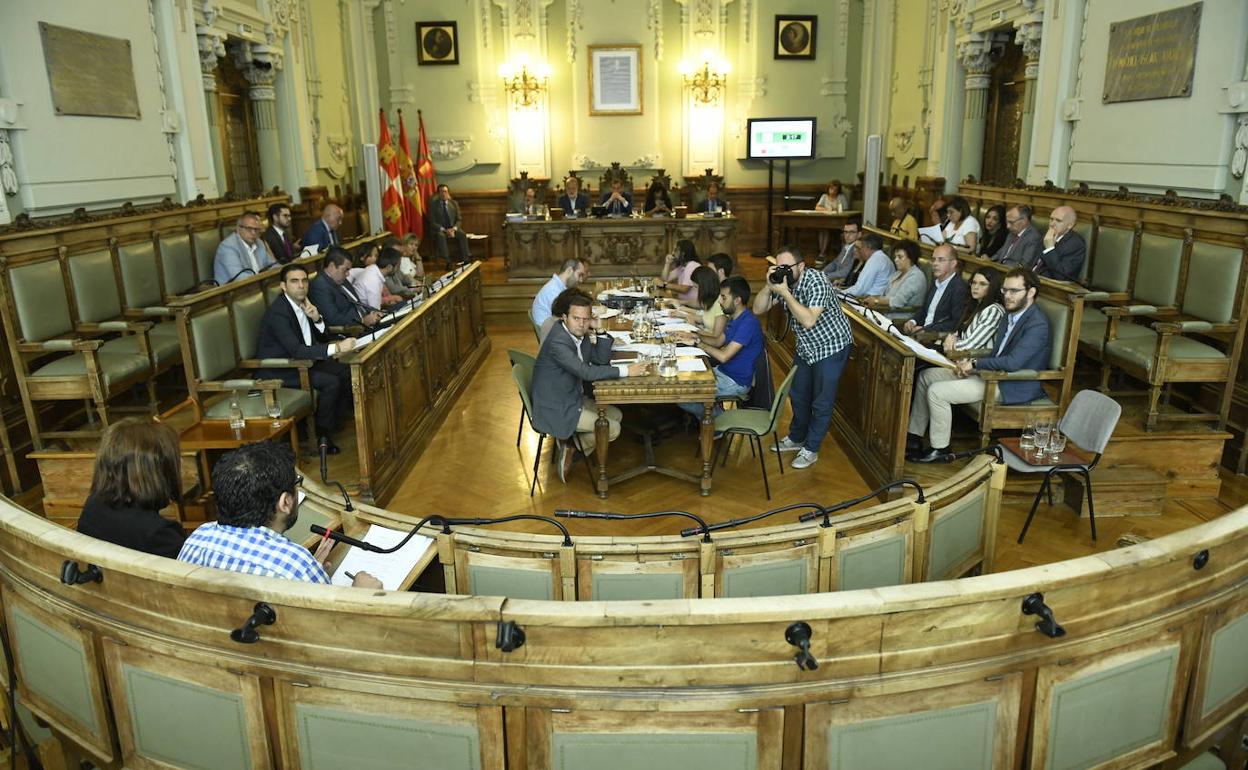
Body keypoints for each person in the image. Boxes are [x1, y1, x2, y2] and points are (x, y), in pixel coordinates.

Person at [178, 441, 381, 588]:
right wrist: (362, 595)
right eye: (296, 484)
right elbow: (332, 628)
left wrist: (310, 572)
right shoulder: (297, 566)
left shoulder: (197, 539)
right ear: (285, 502)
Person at [907, 268, 1051, 463]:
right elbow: (997, 353)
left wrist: (975, 363)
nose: (1007, 296)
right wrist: (971, 366)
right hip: (991, 374)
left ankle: (940, 449)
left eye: (1014, 291)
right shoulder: (1010, 315)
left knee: (937, 392)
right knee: (927, 376)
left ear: (1031, 292)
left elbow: (1013, 362)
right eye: (1005, 290)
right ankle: (914, 438)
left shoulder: (1037, 324)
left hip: (1011, 384)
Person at [753, 245, 853, 470]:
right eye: (778, 267)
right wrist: (769, 286)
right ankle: (797, 437)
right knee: (798, 395)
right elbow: (758, 309)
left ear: (801, 266)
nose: (783, 271)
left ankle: (811, 449)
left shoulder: (817, 281)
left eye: (787, 267)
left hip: (831, 346)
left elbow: (808, 320)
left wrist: (785, 293)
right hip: (807, 347)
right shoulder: (784, 282)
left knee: (821, 401)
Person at [530, 291, 644, 482]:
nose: (581, 324)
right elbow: (586, 372)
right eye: (576, 318)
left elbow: (600, 360)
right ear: (564, 317)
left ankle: (572, 447)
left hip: (571, 396)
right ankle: (573, 448)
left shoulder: (578, 334)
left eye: (586, 319)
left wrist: (600, 330)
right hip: (555, 406)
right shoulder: (559, 341)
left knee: (616, 415)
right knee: (612, 428)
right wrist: (626, 371)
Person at [258, 263, 358, 451]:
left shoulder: (305, 303)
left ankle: (335, 424)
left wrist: (316, 319)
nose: (301, 286)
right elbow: (296, 350)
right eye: (294, 281)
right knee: (331, 382)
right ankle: (322, 437)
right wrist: (336, 348)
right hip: (282, 369)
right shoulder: (278, 313)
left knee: (346, 372)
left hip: (305, 362)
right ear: (283, 286)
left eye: (304, 281)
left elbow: (322, 337)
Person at [77, 418, 186, 559]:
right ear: (155, 472)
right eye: (175, 460)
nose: (181, 462)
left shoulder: (94, 505)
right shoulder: (159, 535)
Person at [681, 276, 764, 418]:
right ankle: (704, 418)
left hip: (735, 382)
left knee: (682, 394)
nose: (720, 301)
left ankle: (720, 419)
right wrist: (694, 336)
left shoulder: (748, 323)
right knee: (682, 380)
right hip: (723, 372)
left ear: (737, 300)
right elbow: (718, 342)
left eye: (724, 297)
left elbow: (724, 356)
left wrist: (698, 343)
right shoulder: (735, 319)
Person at [904, 244, 968, 336]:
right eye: (933, 259)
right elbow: (924, 309)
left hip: (936, 338)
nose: (935, 264)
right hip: (921, 334)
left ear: (953, 263)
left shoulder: (959, 288)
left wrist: (926, 330)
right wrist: (913, 321)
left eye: (941, 260)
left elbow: (955, 323)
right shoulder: (936, 282)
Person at [309, 247, 382, 328]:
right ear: (332, 266)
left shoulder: (341, 278)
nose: (348, 274)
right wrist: (362, 321)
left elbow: (357, 304)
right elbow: (333, 319)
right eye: (346, 270)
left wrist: (374, 312)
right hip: (353, 330)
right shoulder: (319, 286)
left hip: (366, 323)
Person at [941, 267, 1005, 354]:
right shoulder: (975, 305)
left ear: (992, 287)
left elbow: (972, 344)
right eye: (974, 283)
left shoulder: (993, 311)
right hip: (958, 355)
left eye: (982, 284)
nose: (976, 287)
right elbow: (958, 334)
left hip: (973, 360)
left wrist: (948, 346)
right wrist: (950, 339)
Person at [864, 239, 927, 320]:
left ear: (911, 258)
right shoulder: (897, 273)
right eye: (895, 257)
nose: (896, 260)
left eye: (900, 257)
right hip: (885, 312)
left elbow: (897, 302)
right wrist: (871, 298)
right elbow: (885, 295)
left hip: (900, 317)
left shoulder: (916, 276)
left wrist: (876, 301)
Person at [214, 211, 276, 284]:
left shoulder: (259, 242)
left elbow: (271, 265)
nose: (253, 233)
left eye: (256, 229)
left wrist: (282, 270)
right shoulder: (228, 247)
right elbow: (239, 277)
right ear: (238, 229)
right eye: (249, 229)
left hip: (258, 284)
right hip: (232, 288)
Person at [671, 266, 726, 344]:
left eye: (696, 287)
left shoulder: (720, 303)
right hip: (700, 338)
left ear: (705, 287)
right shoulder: (710, 300)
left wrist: (694, 329)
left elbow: (716, 336)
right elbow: (705, 319)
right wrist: (683, 315)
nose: (695, 291)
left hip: (708, 343)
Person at [1034, 205, 1086, 283]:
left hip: (1051, 285)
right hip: (1033, 279)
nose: (1052, 224)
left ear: (1070, 225)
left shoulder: (1075, 244)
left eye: (1058, 221)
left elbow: (1061, 276)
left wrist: (1049, 249)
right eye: (1051, 219)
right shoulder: (1047, 235)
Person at [531, 257, 587, 328]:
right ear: (569, 270)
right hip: (551, 331)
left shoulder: (559, 287)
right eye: (579, 275)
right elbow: (564, 319)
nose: (581, 280)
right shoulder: (553, 290)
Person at [428, 184, 471, 269]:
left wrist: (454, 229)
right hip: (440, 229)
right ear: (438, 193)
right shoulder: (433, 205)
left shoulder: (454, 203)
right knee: (441, 236)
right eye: (441, 191)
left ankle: (466, 259)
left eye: (445, 191)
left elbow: (459, 219)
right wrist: (444, 230)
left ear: (448, 193)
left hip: (453, 228)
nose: (443, 194)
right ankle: (447, 261)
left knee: (462, 234)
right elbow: (432, 222)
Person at [843, 233, 892, 297]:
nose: (861, 251)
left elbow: (859, 289)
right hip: (876, 298)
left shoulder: (875, 260)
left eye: (862, 247)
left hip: (870, 300)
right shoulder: (884, 258)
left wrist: (839, 293)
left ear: (868, 247)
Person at [993, 205, 1042, 269]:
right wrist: (989, 260)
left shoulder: (1034, 237)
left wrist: (1002, 267)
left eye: (1011, 222)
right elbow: (1001, 253)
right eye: (1007, 222)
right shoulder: (1012, 233)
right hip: (1000, 268)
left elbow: (1024, 264)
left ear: (1024, 221)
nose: (1008, 226)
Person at [657, 239, 701, 307]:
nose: (673, 253)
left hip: (693, 306)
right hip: (684, 304)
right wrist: (667, 263)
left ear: (683, 253)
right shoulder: (682, 266)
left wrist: (664, 285)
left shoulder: (692, 265)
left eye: (675, 250)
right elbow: (665, 279)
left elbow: (684, 289)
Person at [815, 180, 849, 261]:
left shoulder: (841, 197)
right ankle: (822, 253)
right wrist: (826, 209)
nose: (833, 191)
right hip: (825, 220)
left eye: (835, 190)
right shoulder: (824, 196)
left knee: (827, 229)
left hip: (838, 222)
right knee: (823, 229)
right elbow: (817, 207)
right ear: (828, 189)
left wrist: (836, 209)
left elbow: (845, 209)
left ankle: (822, 254)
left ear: (838, 190)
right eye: (831, 189)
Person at [823, 217, 861, 283]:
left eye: (851, 232)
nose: (847, 235)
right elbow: (835, 263)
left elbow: (846, 272)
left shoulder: (857, 250)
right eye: (845, 232)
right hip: (833, 279)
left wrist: (825, 276)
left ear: (859, 234)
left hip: (841, 283)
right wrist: (822, 272)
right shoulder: (846, 245)